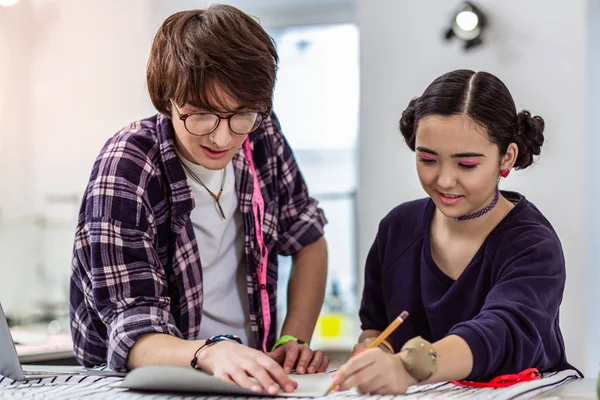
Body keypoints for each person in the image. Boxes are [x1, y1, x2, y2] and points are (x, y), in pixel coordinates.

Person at [69, 4, 329, 394]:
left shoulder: (261, 134)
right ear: (167, 99)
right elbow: (133, 334)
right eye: (201, 115)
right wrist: (210, 351)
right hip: (154, 381)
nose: (222, 138)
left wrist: (292, 341)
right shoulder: (128, 165)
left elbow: (308, 240)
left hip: (248, 376)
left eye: (240, 115)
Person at [331, 69, 576, 395]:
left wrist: (408, 366)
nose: (444, 180)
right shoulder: (397, 228)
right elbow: (375, 327)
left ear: (507, 157)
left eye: (467, 165)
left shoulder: (531, 244)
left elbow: (500, 331)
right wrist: (373, 353)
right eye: (428, 159)